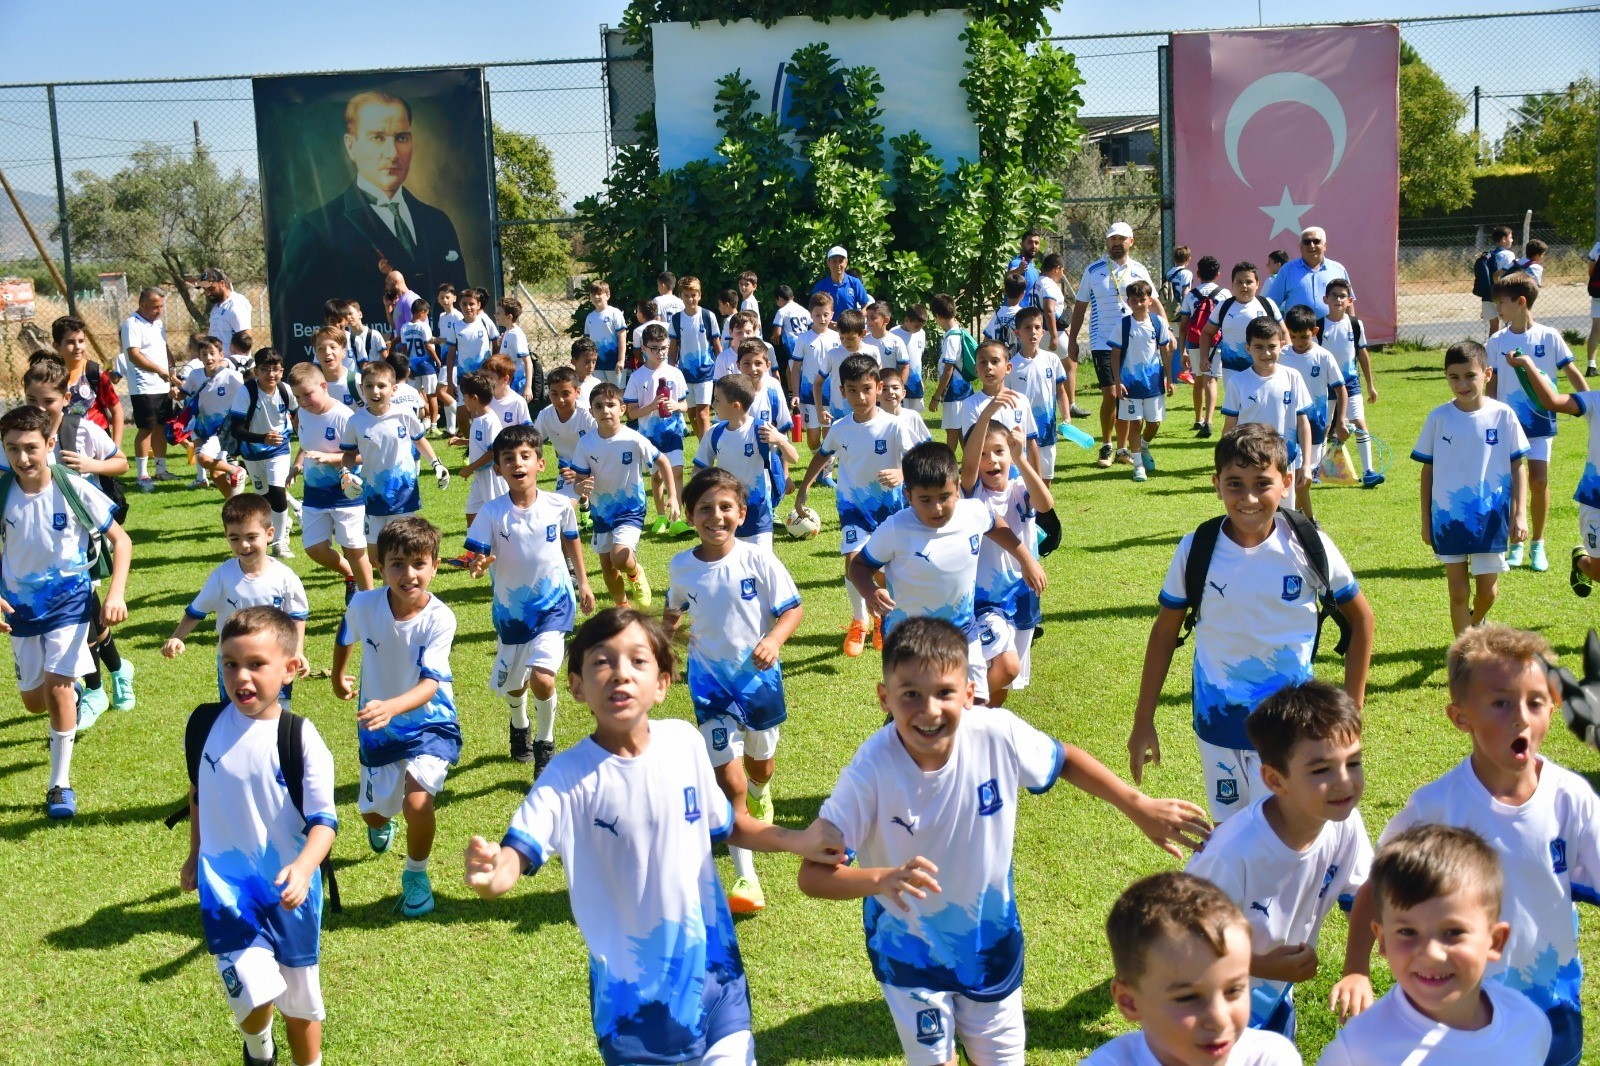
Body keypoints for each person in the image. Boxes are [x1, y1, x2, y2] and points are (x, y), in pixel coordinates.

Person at [799, 616, 1209, 1066]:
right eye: (911, 694)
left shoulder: (998, 733)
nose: (929, 710)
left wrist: (1137, 805)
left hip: (990, 947)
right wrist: (881, 879)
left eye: (944, 693)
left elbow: (1064, 758)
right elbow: (813, 875)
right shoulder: (871, 770)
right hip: (908, 956)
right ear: (885, 697)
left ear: (970, 694)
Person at [1340, 624, 1600, 1066]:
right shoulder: (1436, 807)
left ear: (1553, 712)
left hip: (1553, 1002)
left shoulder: (1570, 796)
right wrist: (1356, 970)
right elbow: (1377, 885)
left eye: (1535, 702)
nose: (1521, 716)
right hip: (1459, 1008)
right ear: (1461, 718)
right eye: (1500, 703)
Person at [1129, 424, 1373, 823]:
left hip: (1292, 731)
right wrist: (1143, 721)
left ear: (1287, 481)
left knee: (1286, 831)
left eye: (1262, 483)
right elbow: (1164, 633)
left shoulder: (1309, 545)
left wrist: (1352, 716)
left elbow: (1361, 620)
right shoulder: (1197, 548)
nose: (1249, 498)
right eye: (1235, 484)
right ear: (1216, 485)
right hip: (1217, 725)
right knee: (1231, 832)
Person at [179, 607, 335, 1066]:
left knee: (301, 1000)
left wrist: (304, 869)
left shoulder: (301, 739)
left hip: (290, 892)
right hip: (226, 888)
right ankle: (258, 1050)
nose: (241, 676)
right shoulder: (205, 726)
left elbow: (324, 822)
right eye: (230, 663)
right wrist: (193, 854)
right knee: (251, 987)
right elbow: (199, 794)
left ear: (290, 669)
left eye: (255, 664)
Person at [1186, 681, 1371, 1040]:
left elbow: (1363, 895)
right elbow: (1181, 944)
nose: (1343, 782)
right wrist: (1259, 965)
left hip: (1273, 999)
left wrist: (1357, 969)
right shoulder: (1231, 854)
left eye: (1354, 762)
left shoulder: (1345, 823)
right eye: (1321, 770)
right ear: (1274, 779)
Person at [664, 468, 803, 914]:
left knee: (760, 764)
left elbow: (792, 610)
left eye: (725, 507)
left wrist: (774, 640)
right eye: (704, 508)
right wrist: (665, 648)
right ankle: (747, 878)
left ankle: (763, 794)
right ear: (689, 515)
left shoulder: (759, 560)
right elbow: (674, 611)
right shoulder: (681, 566)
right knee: (729, 778)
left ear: (742, 514)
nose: (715, 516)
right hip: (710, 690)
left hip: (758, 683)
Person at [1317, 824, 1552, 1065]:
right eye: (1408, 932)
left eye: (1453, 932)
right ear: (1383, 939)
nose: (1431, 953)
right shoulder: (1358, 1050)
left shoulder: (1529, 1026)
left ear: (1495, 941)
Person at [0, 404, 131, 818]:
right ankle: (69, 693)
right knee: (33, 702)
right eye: (12, 449)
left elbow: (121, 541)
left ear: (50, 444)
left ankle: (59, 785)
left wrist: (115, 594)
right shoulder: (3, 491)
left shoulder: (71, 486)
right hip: (20, 607)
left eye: (30, 448)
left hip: (70, 604)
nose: (22, 458)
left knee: (56, 688)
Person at [850, 441, 1046, 705]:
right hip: (909, 638)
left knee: (974, 705)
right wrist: (870, 591)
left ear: (957, 491)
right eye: (925, 500)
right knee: (915, 713)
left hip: (964, 631)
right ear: (908, 496)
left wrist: (1025, 558)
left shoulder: (972, 512)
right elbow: (859, 566)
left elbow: (994, 524)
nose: (937, 509)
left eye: (944, 497)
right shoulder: (895, 529)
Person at [274, 91, 470, 348]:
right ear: (350, 145)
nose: (391, 152)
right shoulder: (315, 229)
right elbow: (294, 318)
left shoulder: (437, 222)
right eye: (377, 138)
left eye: (401, 137)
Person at [333, 517, 458, 917]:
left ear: (435, 566)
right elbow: (345, 632)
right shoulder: (364, 604)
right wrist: (338, 674)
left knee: (418, 800)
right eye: (398, 564)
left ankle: (416, 875)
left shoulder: (441, 618)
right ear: (380, 565)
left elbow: (431, 684)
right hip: (378, 728)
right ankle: (379, 822)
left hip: (429, 722)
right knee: (373, 812)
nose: (409, 574)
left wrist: (391, 706)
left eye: (419, 564)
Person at [463, 425, 594, 774]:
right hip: (511, 614)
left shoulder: (558, 505)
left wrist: (583, 582)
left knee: (543, 679)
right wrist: (477, 567)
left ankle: (544, 745)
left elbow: (571, 541)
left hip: (554, 604)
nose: (517, 463)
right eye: (509, 458)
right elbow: (475, 558)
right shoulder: (491, 513)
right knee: (513, 686)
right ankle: (519, 722)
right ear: (498, 468)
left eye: (525, 456)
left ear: (541, 462)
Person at [18, 357, 135, 722]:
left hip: (82, 541)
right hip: (40, 549)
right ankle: (117, 672)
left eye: (48, 401)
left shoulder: (81, 430)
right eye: (32, 400)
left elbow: (122, 463)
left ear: (65, 398)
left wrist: (92, 465)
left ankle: (96, 690)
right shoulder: (20, 440)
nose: (40, 409)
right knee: (90, 619)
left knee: (82, 619)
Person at [1090, 872, 1302, 1065]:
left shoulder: (1269, 1059)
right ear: (1130, 1001)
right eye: (1188, 997)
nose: (1219, 1018)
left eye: (1234, 990)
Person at [793, 354, 920, 657]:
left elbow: (918, 461)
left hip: (890, 510)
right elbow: (822, 455)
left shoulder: (894, 426)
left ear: (878, 387)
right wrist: (803, 489)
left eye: (866, 388)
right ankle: (859, 620)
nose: (860, 397)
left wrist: (902, 472)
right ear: (842, 392)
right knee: (853, 563)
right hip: (853, 508)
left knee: (885, 570)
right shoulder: (840, 428)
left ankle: (880, 619)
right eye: (852, 390)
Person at [1413, 341, 1528, 634]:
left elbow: (1518, 466)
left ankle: (1475, 622)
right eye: (1454, 377)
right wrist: (1426, 520)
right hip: (1448, 518)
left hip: (1491, 518)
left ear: (1487, 374)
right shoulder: (1439, 417)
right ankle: (1463, 656)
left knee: (1488, 593)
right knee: (1458, 592)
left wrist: (1520, 514)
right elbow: (1428, 471)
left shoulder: (1503, 415)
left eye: (1470, 376)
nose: (1462, 384)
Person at [161, 493, 310, 708]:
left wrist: (297, 651)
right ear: (226, 536)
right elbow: (197, 610)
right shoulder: (223, 576)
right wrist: (178, 637)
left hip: (274, 659)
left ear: (269, 534)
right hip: (233, 663)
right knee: (235, 711)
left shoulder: (285, 577)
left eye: (251, 537)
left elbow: (297, 616)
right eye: (235, 538)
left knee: (277, 712)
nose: (244, 545)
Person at [1485, 271, 1585, 573]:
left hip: (1541, 422)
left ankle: (1537, 545)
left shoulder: (1549, 336)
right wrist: (1487, 415)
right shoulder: (1496, 340)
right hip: (1508, 425)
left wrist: (1590, 402)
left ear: (1521, 302)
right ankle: (1514, 543)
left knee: (1539, 480)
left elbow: (1571, 372)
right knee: (1513, 483)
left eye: (1501, 303)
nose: (1497, 309)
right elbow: (1492, 383)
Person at [960, 417, 1054, 704]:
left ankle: (977, 731)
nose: (992, 460)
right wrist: (988, 410)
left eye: (999, 451)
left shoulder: (1018, 489)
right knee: (1007, 666)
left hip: (1023, 597)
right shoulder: (972, 493)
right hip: (985, 602)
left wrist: (1021, 459)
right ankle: (954, 709)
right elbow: (969, 463)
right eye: (984, 454)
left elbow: (1045, 504)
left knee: (1002, 684)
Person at [1502, 343, 1600, 598]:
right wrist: (1529, 365)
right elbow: (1552, 401)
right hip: (1596, 500)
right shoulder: (1595, 401)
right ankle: (1581, 560)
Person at [573, 382, 680, 608]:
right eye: (599, 406)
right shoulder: (586, 443)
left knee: (619, 557)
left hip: (630, 509)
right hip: (601, 513)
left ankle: (635, 571)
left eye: (611, 405)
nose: (605, 411)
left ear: (622, 409)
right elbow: (579, 481)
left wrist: (673, 495)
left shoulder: (633, 438)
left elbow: (662, 461)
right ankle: (623, 608)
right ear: (591, 412)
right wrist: (581, 490)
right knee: (607, 566)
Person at [1069, 223, 1159, 466]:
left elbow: (1154, 303)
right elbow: (1080, 307)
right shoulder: (1093, 270)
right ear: (1107, 242)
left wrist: (1166, 331)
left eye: (1121, 239)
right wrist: (1072, 340)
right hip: (1102, 342)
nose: (1116, 243)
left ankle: (1123, 450)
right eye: (1112, 239)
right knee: (1110, 394)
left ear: (1131, 241)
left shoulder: (1140, 269)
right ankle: (1107, 445)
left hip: (1133, 343)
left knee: (1128, 397)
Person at [285, 363, 371, 599]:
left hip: (346, 493)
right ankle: (350, 575)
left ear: (324, 387)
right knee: (314, 548)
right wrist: (297, 465)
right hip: (314, 494)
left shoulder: (344, 416)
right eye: (298, 396)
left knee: (354, 549)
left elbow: (363, 453)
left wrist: (332, 458)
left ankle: (369, 600)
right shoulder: (303, 413)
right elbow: (306, 444)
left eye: (307, 394)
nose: (303, 401)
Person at [340, 359, 448, 544]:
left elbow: (420, 440)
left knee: (401, 546)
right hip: (372, 493)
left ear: (393, 389)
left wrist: (436, 463)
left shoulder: (404, 414)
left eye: (381, 386)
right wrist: (345, 474)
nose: (375, 391)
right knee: (376, 554)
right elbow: (349, 454)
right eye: (369, 386)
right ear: (361, 388)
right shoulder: (355, 421)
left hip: (403, 492)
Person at [692, 375, 797, 549]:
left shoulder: (761, 429)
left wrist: (780, 440)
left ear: (735, 406)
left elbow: (794, 458)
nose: (713, 405)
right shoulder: (714, 433)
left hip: (759, 510)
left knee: (761, 563)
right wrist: (700, 489)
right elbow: (699, 468)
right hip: (725, 512)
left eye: (717, 400)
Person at [1220, 318, 1313, 511]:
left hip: (1284, 459)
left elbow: (1303, 423)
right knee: (1253, 511)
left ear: (1282, 345)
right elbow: (1229, 426)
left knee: (1284, 514)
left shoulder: (1292, 377)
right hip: (1249, 460)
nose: (1266, 353)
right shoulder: (1237, 382)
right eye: (1259, 347)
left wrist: (1306, 464)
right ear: (1248, 348)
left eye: (1272, 346)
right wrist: (1224, 464)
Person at [1278, 306, 1347, 525]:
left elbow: (1340, 389)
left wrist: (1340, 420)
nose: (1298, 341)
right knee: (1291, 476)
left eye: (1304, 337)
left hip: (1315, 426)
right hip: (1287, 426)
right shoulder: (1281, 356)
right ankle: (1306, 522)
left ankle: (1303, 520)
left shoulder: (1323, 356)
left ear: (1315, 331)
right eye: (1294, 336)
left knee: (1302, 479)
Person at [229, 350, 298, 557]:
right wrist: (262, 438)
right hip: (252, 452)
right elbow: (236, 429)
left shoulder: (285, 390)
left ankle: (279, 542)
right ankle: (283, 524)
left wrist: (301, 432)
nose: (271, 374)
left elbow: (297, 413)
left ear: (282, 370)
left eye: (276, 369)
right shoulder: (247, 392)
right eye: (265, 369)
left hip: (279, 448)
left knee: (278, 491)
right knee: (264, 498)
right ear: (256, 371)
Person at [623, 322, 690, 535]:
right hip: (649, 434)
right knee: (657, 476)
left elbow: (686, 405)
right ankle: (661, 516)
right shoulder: (637, 376)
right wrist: (652, 406)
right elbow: (630, 413)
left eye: (664, 348)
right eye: (654, 348)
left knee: (677, 471)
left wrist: (676, 406)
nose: (660, 353)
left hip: (673, 430)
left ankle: (676, 515)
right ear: (643, 349)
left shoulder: (675, 373)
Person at [1316, 278, 1383, 488]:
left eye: (1342, 296)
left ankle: (1368, 471)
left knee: (1360, 424)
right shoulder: (1318, 325)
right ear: (1325, 299)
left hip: (1350, 383)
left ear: (1350, 300)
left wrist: (1371, 384)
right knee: (1323, 427)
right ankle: (1317, 470)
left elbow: (1362, 354)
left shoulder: (1355, 325)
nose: (1338, 299)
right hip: (1325, 386)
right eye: (1334, 295)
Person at [1107, 279, 1175, 481]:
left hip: (1153, 383)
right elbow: (1115, 355)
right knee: (1135, 423)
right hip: (1130, 385)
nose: (1138, 304)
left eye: (1142, 300)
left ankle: (1144, 446)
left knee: (1154, 423)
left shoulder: (1158, 322)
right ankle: (1138, 466)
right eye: (1133, 300)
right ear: (1128, 301)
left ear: (1150, 300)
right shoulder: (1123, 324)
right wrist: (1117, 381)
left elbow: (1165, 351)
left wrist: (1170, 379)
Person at [1198, 261, 1282, 400]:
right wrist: (1203, 356)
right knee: (1238, 410)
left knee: (1264, 405)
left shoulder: (1267, 305)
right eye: (1239, 282)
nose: (1244, 286)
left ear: (1257, 284)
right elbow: (1207, 333)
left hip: (1265, 367)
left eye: (1249, 282)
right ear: (1232, 284)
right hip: (1232, 370)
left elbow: (1283, 332)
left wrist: (1287, 356)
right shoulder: (1224, 307)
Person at [122, 286, 177, 491]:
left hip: (162, 385)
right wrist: (159, 371)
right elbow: (134, 355)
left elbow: (164, 348)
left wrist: (170, 370)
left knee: (162, 426)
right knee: (146, 428)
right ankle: (142, 475)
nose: (159, 310)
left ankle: (161, 470)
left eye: (161, 306)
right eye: (155, 306)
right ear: (143, 304)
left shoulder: (158, 324)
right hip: (144, 387)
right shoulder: (131, 325)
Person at [180, 335, 249, 498]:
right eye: (204, 354)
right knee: (215, 474)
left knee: (204, 459)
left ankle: (236, 470)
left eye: (212, 353)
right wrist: (175, 393)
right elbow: (184, 394)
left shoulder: (231, 376)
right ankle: (235, 504)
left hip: (222, 429)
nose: (208, 357)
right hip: (199, 426)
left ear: (221, 355)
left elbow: (247, 395)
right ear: (199, 356)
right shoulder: (195, 375)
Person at [959, 341, 1041, 473]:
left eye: (995, 361)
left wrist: (1038, 483)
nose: (988, 367)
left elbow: (1031, 443)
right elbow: (972, 447)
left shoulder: (1021, 401)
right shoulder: (970, 404)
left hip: (1019, 478)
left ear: (1008, 367)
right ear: (975, 369)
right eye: (983, 362)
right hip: (989, 477)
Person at [532, 366, 598, 528]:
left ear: (577, 392)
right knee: (561, 509)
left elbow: (603, 447)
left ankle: (587, 505)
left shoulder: (588, 416)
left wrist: (582, 471)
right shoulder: (545, 415)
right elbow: (533, 443)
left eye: (566, 394)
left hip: (597, 469)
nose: (560, 400)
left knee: (606, 519)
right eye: (554, 394)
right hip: (568, 471)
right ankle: (565, 551)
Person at [447, 371, 507, 533]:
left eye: (464, 396)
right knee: (472, 512)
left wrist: (469, 468)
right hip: (480, 477)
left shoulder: (489, 421)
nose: (463, 400)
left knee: (499, 513)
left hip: (491, 476)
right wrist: (463, 441)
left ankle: (507, 545)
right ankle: (472, 553)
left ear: (474, 398)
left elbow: (492, 452)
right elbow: (481, 444)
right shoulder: (478, 418)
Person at [52, 315, 123, 444]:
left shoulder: (95, 373)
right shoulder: (51, 376)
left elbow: (117, 410)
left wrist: (115, 447)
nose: (78, 347)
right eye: (70, 342)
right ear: (56, 346)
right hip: (65, 443)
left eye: (81, 341)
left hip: (98, 443)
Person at [668, 276, 721, 443]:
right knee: (691, 413)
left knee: (703, 413)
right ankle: (703, 444)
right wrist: (670, 370)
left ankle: (706, 455)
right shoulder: (676, 319)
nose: (690, 299)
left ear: (699, 295)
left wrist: (723, 368)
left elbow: (717, 345)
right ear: (681, 296)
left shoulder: (708, 316)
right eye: (686, 295)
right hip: (685, 373)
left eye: (693, 295)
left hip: (705, 371)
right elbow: (673, 348)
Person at [1179, 256, 1227, 437]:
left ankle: (1198, 419)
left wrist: (1183, 350)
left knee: (1198, 378)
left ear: (1198, 274)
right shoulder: (1225, 294)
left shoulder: (1191, 295)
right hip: (1216, 342)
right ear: (1218, 274)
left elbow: (1184, 325)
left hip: (1195, 341)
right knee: (1211, 379)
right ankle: (1209, 420)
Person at [1263, 227, 1351, 320]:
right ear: (1300, 246)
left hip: (1331, 331)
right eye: (1307, 242)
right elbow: (1272, 304)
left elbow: (1348, 303)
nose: (1312, 245)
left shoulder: (1338, 269)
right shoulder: (1287, 270)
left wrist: (1352, 327)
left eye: (1316, 241)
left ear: (1325, 245)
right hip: (1296, 332)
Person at [789, 292, 838, 460]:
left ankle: (826, 471)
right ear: (811, 314)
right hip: (809, 395)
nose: (822, 318)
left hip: (833, 395)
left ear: (832, 314)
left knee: (830, 434)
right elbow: (795, 368)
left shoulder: (838, 338)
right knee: (812, 437)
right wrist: (795, 393)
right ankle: (817, 461)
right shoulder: (803, 338)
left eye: (826, 314)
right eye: (818, 315)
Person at [815, 309, 879, 430]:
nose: (845, 342)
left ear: (863, 333)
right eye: (842, 338)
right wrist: (819, 409)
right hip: (839, 413)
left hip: (867, 412)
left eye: (850, 338)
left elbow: (879, 380)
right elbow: (817, 383)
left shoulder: (873, 351)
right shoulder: (833, 354)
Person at [928, 293, 976, 450]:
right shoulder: (960, 332)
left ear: (938, 316)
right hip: (964, 389)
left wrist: (936, 396)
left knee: (952, 431)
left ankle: (949, 467)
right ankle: (970, 467)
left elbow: (948, 370)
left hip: (953, 392)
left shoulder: (950, 339)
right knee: (963, 431)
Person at [397, 298, 439, 431]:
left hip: (412, 365)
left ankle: (413, 424)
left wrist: (407, 365)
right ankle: (433, 425)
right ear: (421, 312)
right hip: (426, 365)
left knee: (412, 396)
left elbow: (404, 348)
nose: (426, 316)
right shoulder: (423, 326)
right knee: (432, 394)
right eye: (426, 313)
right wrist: (438, 361)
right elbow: (428, 345)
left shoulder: (404, 327)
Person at [584, 281, 629, 386]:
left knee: (617, 392)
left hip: (614, 361)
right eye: (593, 294)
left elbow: (622, 337)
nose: (596, 297)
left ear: (607, 295)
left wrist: (621, 360)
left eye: (599, 294)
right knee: (600, 391)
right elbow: (588, 342)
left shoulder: (614, 313)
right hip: (597, 364)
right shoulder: (590, 317)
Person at [198, 267, 252, 356]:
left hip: (235, 367)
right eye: (205, 290)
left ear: (222, 283)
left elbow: (246, 339)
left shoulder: (236, 304)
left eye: (211, 288)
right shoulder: (216, 308)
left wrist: (234, 364)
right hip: (220, 366)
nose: (208, 293)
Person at [1478, 225, 1520, 336]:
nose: (1512, 240)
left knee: (1494, 327)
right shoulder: (1508, 254)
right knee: (1511, 324)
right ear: (1503, 239)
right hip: (1502, 294)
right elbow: (1510, 275)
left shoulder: (1488, 255)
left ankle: (1491, 351)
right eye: (1510, 237)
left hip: (1488, 295)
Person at [768, 283, 811, 385]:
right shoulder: (804, 311)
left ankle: (797, 395)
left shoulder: (782, 311)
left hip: (793, 344)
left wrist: (774, 337)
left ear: (780, 299)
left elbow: (777, 331)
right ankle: (792, 393)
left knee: (795, 370)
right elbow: (812, 326)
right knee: (790, 368)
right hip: (806, 342)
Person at [311, 326, 361, 411]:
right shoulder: (311, 386)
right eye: (321, 349)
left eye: (333, 347)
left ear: (343, 352)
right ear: (316, 354)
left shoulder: (358, 382)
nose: (327, 352)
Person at [890, 302, 929, 411]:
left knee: (916, 416)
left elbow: (918, 357)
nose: (919, 329)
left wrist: (921, 379)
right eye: (916, 326)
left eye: (921, 327)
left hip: (916, 383)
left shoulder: (921, 333)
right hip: (899, 382)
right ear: (907, 320)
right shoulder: (894, 333)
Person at [811, 245, 869, 313]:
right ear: (828, 263)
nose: (838, 265)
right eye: (834, 261)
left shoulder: (855, 283)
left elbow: (865, 305)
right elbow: (813, 310)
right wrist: (826, 322)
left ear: (846, 262)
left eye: (841, 261)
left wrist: (857, 320)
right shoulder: (820, 286)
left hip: (850, 323)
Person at [482, 353, 532, 430]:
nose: (485, 381)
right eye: (484, 378)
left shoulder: (518, 402)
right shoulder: (485, 400)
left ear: (505, 379)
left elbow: (527, 433)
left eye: (489, 378)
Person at [983, 272, 1028, 353]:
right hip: (1017, 360)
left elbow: (986, 339)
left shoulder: (998, 314)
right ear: (1023, 294)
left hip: (999, 358)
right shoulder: (1024, 315)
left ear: (1005, 292)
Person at [1007, 227, 1043, 305]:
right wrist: (1019, 269)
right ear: (1022, 244)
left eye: (1036, 243)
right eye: (1030, 242)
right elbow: (1008, 277)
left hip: (1029, 314)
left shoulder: (1033, 267)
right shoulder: (1017, 262)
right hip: (1018, 314)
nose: (1034, 246)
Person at [569, 337, 602, 409]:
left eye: (594, 361)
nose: (591, 366)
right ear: (574, 362)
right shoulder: (568, 384)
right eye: (587, 362)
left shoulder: (597, 384)